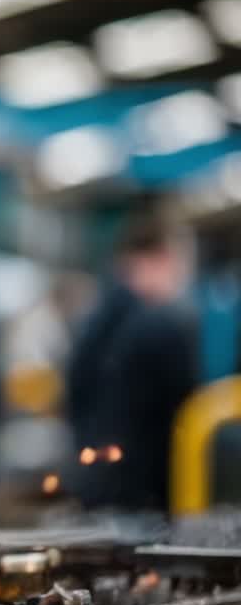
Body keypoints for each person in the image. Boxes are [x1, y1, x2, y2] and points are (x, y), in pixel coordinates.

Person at [65, 209, 197, 512]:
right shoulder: (161, 326)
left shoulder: (94, 321)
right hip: (145, 498)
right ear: (162, 256)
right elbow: (183, 414)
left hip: (97, 489)